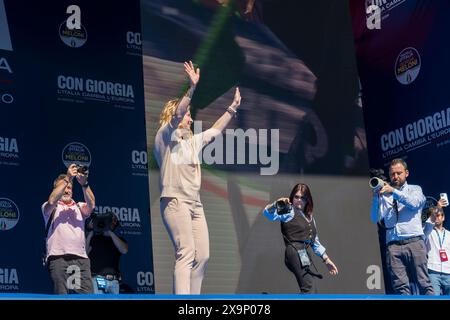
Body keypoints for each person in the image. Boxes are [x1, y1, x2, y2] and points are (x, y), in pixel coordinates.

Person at [153, 60, 242, 294]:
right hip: (175, 201)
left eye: (190, 116)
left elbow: (214, 131)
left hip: (195, 204)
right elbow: (178, 114)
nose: (190, 119)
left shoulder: (191, 143)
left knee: (202, 256)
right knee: (186, 252)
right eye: (188, 116)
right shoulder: (164, 139)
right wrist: (191, 89)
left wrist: (233, 107)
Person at [371, 158, 433, 295]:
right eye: (392, 174)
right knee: (400, 288)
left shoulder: (415, 189)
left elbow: (414, 203)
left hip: (414, 242)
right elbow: (375, 218)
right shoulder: (384, 194)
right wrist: (376, 198)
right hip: (393, 245)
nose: (395, 176)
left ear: (406, 173)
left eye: (399, 173)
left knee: (424, 283)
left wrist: (393, 191)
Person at [262, 183, 338, 293]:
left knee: (312, 291)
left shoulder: (309, 216)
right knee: (309, 288)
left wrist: (326, 259)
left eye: (302, 198)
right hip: (294, 251)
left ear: (308, 200)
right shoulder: (289, 211)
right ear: (292, 198)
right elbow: (267, 214)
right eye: (296, 197)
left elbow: (315, 242)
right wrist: (275, 204)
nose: (299, 200)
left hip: (304, 253)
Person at [41, 163, 95, 294]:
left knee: (85, 298)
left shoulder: (79, 206)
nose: (67, 190)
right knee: (63, 296)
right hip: (58, 258)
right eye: (64, 187)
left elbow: (91, 205)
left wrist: (84, 184)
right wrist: (68, 179)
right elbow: (52, 200)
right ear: (56, 189)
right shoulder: (49, 208)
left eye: (69, 187)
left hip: (80, 259)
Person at [86, 211, 128, 294]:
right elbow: (85, 253)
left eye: (112, 224)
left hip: (114, 281)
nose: (110, 225)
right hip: (97, 279)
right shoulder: (94, 238)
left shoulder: (118, 240)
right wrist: (90, 232)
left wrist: (110, 233)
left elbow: (124, 250)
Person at [423, 199, 450, 295]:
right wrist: (438, 208)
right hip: (433, 271)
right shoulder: (427, 231)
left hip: (448, 272)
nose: (436, 218)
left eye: (438, 216)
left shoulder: (449, 234)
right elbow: (428, 224)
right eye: (434, 216)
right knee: (434, 297)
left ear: (443, 217)